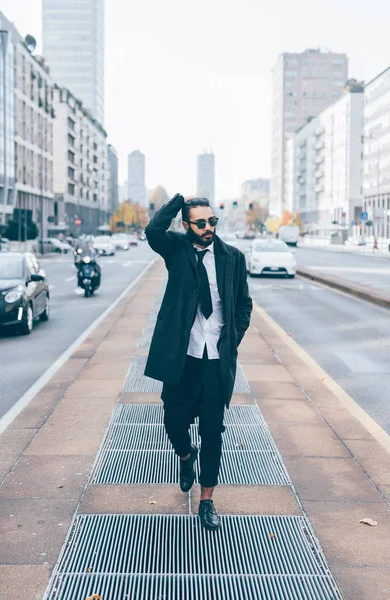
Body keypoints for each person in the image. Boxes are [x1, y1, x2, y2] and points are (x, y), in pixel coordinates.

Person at [145, 194, 252, 531]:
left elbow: (243, 306)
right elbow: (152, 230)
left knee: (213, 432)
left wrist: (231, 337)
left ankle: (207, 499)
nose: (208, 228)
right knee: (174, 424)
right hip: (184, 359)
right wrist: (177, 201)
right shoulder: (176, 250)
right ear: (187, 225)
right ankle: (186, 455)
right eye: (201, 223)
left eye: (212, 222)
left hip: (215, 363)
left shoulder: (232, 258)